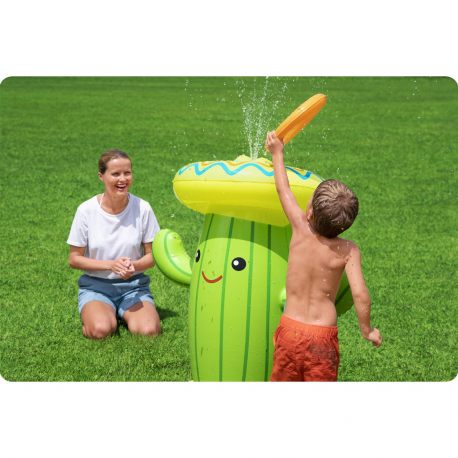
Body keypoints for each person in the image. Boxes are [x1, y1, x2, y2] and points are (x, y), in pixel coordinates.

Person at [265, 131, 382, 381]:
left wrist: (277, 153)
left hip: (290, 330)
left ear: (309, 213)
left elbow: (283, 190)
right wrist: (367, 330)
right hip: (322, 337)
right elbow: (360, 294)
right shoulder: (348, 250)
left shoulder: (300, 227)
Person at [67, 149, 161, 339]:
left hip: (134, 287)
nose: (123, 179)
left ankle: (122, 313)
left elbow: (153, 256)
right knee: (100, 330)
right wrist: (111, 265)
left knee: (149, 332)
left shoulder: (143, 208)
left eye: (127, 173)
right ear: (101, 176)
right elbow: (74, 259)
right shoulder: (86, 210)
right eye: (116, 174)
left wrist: (134, 265)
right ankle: (103, 313)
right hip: (96, 287)